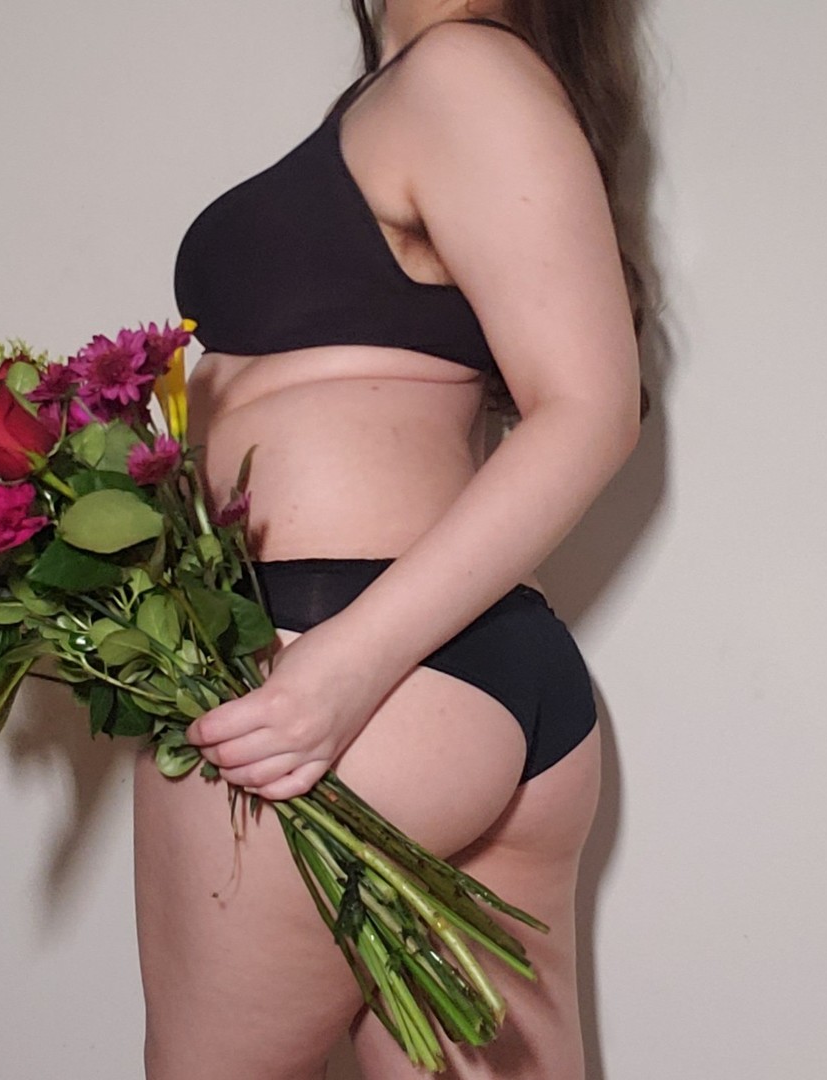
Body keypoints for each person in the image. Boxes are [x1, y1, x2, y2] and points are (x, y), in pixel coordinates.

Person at [133, 1, 650, 1076]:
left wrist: (343, 670)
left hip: (337, 663)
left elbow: (593, 409)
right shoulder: (432, 88)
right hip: (446, 669)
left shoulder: (463, 70)